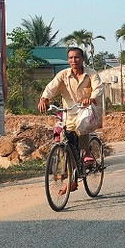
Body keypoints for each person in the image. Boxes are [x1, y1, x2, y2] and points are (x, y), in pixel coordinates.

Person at [38, 47, 104, 192]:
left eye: (77, 57)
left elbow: (98, 88)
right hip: (69, 112)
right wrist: (44, 99)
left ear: (82, 59)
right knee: (65, 142)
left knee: (82, 126)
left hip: (87, 110)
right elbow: (51, 88)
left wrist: (91, 98)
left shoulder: (91, 74)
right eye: (70, 58)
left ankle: (86, 152)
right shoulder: (63, 75)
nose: (73, 60)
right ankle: (70, 177)